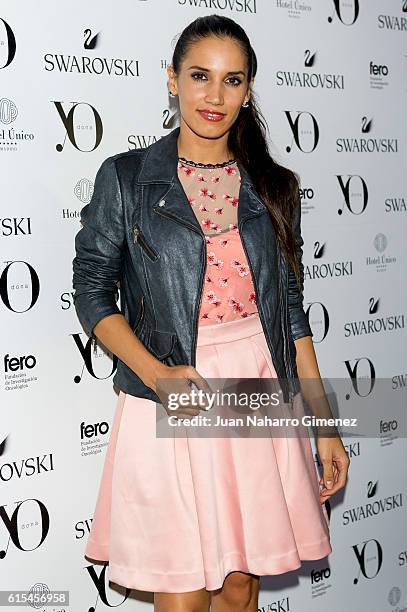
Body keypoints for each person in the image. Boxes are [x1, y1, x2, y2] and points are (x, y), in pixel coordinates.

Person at [72, 14, 350, 612]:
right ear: (172, 80)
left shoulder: (273, 186)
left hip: (255, 386)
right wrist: (157, 375)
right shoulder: (127, 179)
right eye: (200, 76)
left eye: (232, 80)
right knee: (182, 594)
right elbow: (93, 294)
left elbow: (292, 317)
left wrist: (324, 424)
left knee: (239, 589)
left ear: (248, 91)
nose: (214, 96)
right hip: (171, 387)